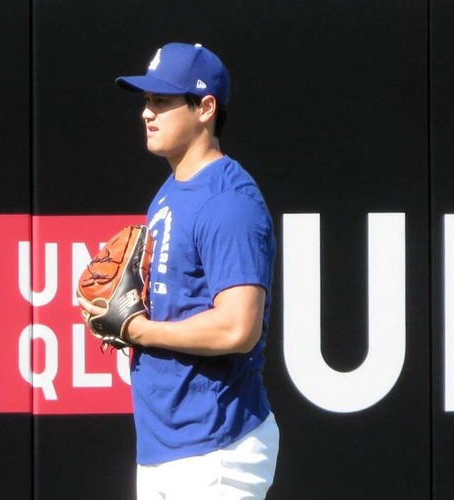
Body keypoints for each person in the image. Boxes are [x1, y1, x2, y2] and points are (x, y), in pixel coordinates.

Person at [81, 42, 278, 499]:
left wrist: (139, 330)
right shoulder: (172, 189)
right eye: (147, 100)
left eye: (162, 101)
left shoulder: (228, 203)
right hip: (165, 443)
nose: (147, 113)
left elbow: (237, 328)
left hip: (216, 444)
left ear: (205, 108)